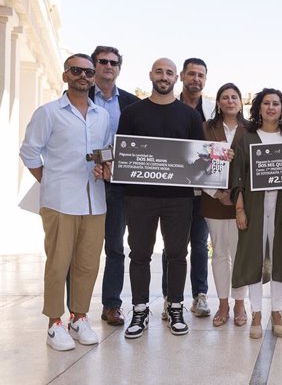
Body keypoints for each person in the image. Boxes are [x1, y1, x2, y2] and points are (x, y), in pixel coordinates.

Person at [19, 54, 111, 351]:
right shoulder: (48, 113)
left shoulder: (103, 116)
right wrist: (52, 181)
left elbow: (105, 152)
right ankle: (54, 323)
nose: (82, 75)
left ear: (94, 78)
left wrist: (104, 168)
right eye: (76, 70)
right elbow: (29, 153)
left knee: (87, 264)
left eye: (88, 71)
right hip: (60, 201)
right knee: (58, 264)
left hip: (95, 200)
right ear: (65, 76)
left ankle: (79, 317)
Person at [118, 58, 204, 338]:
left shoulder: (190, 116)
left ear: (175, 78)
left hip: (179, 199)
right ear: (151, 75)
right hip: (140, 197)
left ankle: (175, 306)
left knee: (178, 254)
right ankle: (140, 309)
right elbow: (124, 155)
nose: (164, 76)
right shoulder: (132, 112)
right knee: (140, 254)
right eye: (159, 71)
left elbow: (198, 158)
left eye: (169, 72)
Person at [231, 88, 282, 339]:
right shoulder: (247, 138)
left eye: (276, 103)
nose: (271, 107)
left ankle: (277, 311)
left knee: (280, 256)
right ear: (258, 107)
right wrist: (239, 209)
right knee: (253, 257)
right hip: (254, 205)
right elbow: (237, 176)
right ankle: (256, 312)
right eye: (266, 103)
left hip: (281, 206)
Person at [88, 45, 139, 327]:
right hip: (85, 181)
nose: (108, 66)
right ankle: (77, 309)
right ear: (94, 65)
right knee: (82, 247)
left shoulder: (131, 103)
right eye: (103, 61)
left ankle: (112, 305)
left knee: (116, 247)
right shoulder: (77, 97)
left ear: (119, 68)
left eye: (113, 62)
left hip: (118, 185)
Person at [161, 57, 215, 319]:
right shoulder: (167, 105)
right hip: (173, 190)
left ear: (205, 80)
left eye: (200, 75)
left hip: (204, 190)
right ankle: (169, 297)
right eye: (191, 74)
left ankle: (200, 296)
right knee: (173, 246)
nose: (196, 79)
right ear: (181, 76)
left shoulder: (213, 110)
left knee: (200, 245)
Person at [200, 83, 249, 327]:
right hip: (214, 201)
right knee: (219, 254)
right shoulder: (206, 128)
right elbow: (197, 164)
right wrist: (217, 193)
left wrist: (238, 195)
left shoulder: (251, 129)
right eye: (225, 97)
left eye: (234, 97)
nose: (230, 101)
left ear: (241, 102)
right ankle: (222, 303)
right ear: (218, 103)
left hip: (243, 202)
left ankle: (240, 303)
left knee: (240, 254)